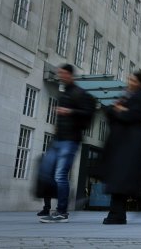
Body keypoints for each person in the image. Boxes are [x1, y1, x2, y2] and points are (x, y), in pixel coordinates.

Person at [38, 64, 94, 223]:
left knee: (60, 175)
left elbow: (88, 114)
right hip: (58, 139)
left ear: (70, 75)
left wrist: (70, 112)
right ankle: (58, 201)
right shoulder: (64, 93)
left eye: (62, 73)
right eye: (59, 73)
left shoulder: (80, 93)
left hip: (70, 140)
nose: (60, 76)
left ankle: (62, 211)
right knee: (45, 171)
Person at [99, 71, 141, 225]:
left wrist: (120, 110)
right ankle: (119, 212)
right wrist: (117, 110)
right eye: (130, 79)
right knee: (118, 179)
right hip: (122, 142)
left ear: (140, 82)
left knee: (119, 179)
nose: (130, 81)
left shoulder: (140, 96)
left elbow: (135, 116)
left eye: (133, 80)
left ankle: (117, 214)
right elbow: (111, 112)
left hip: (130, 142)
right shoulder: (127, 95)